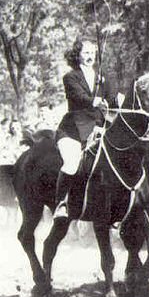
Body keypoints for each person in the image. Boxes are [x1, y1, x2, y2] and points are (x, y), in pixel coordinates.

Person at [54, 37, 117, 218]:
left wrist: (117, 101)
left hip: (98, 127)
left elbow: (111, 98)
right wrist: (94, 101)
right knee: (72, 164)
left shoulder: (102, 76)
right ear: (78, 55)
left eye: (92, 53)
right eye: (85, 53)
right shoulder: (70, 77)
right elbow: (78, 97)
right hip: (73, 130)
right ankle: (62, 203)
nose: (90, 56)